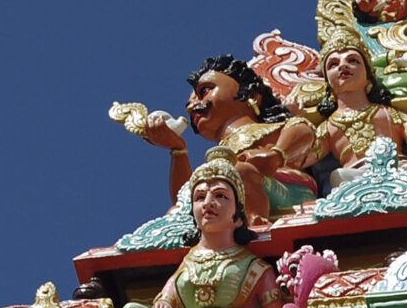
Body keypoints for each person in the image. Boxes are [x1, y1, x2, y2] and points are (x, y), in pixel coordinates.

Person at [118, 152, 283, 308]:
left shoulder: (255, 267)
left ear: (238, 217)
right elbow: (166, 299)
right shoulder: (187, 263)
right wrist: (163, 304)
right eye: (200, 197)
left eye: (220, 196)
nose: (208, 202)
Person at [134, 55, 319, 223]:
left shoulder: (276, 128)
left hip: (284, 191)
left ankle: (255, 221)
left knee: (239, 171)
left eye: (204, 91)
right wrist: (178, 149)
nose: (192, 107)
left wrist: (276, 155)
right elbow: (185, 198)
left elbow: (304, 131)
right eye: (189, 103)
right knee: (177, 210)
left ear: (251, 95)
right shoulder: (216, 159)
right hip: (229, 199)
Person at [309, 30, 406, 192]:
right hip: (355, 176)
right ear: (328, 83)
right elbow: (304, 158)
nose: (343, 65)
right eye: (333, 64)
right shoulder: (328, 127)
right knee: (337, 176)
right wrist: (296, 121)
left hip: (398, 167)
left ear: (369, 76)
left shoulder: (387, 113)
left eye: (353, 60)